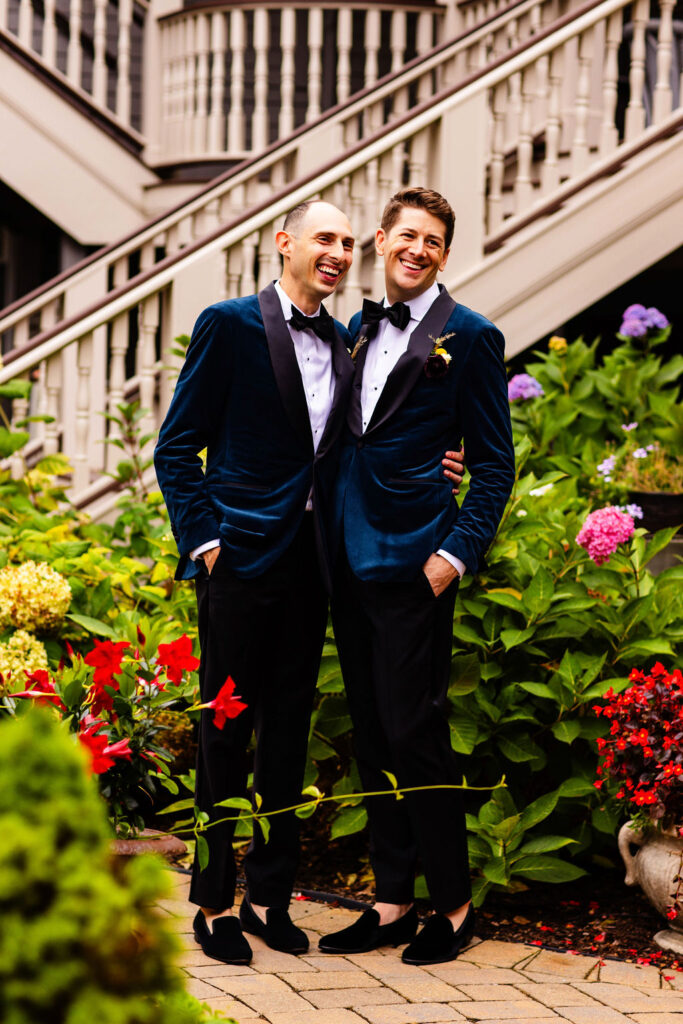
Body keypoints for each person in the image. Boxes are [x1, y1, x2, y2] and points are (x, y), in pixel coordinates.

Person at [154, 200, 358, 966]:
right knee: (223, 730)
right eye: (324, 238)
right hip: (237, 561)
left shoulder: (345, 343)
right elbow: (177, 447)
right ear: (285, 244)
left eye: (345, 241)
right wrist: (206, 542)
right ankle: (211, 900)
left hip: (312, 562)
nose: (336, 251)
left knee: (288, 736)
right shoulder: (229, 324)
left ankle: (270, 895)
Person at [319, 187, 516, 966]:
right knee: (371, 732)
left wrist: (453, 554)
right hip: (345, 558)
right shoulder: (356, 330)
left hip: (416, 566)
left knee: (416, 733)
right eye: (407, 235)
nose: (418, 249)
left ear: (444, 251)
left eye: (433, 241)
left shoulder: (469, 337)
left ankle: (455, 905)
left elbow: (494, 465)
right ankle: (392, 900)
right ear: (381, 239)